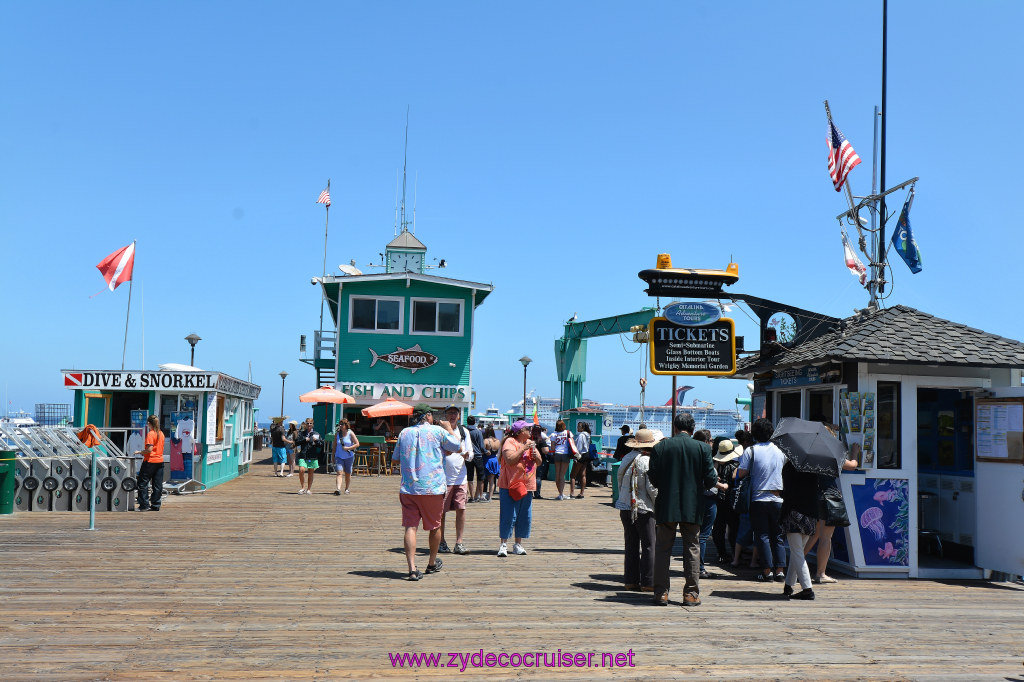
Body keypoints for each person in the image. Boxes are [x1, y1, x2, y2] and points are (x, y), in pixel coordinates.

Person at [648, 412, 718, 607]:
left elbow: (653, 477)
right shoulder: (703, 448)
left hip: (666, 505)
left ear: (675, 427)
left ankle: (661, 593)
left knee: (662, 550)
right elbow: (711, 479)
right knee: (692, 549)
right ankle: (691, 594)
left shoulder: (661, 447)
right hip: (693, 506)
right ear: (692, 429)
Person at [396, 403, 461, 581]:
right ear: (428, 416)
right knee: (435, 526)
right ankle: (431, 563)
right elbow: (457, 446)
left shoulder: (404, 433)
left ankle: (411, 568)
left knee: (410, 527)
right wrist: (449, 429)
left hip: (409, 487)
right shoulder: (437, 431)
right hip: (432, 488)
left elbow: (395, 459)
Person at [736, 418, 787, 582]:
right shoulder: (781, 451)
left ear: (754, 434)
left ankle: (767, 571)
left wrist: (736, 472)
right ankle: (780, 571)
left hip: (758, 498)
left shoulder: (751, 451)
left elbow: (742, 473)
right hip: (778, 498)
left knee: (762, 536)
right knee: (778, 536)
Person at [615, 428, 661, 592]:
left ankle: (631, 581)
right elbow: (651, 488)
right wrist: (659, 505)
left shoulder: (627, 458)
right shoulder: (646, 461)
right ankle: (648, 582)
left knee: (631, 544)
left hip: (625, 505)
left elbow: (619, 481)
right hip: (642, 507)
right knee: (649, 545)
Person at [806, 450, 860, 584]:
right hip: (830, 496)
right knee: (826, 538)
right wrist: (855, 453)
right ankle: (820, 573)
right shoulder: (832, 455)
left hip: (815, 496)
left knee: (816, 532)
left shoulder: (812, 455)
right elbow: (852, 466)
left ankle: (797, 564)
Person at [496, 420, 539, 556]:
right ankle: (504, 544)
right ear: (520, 432)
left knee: (523, 516)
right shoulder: (510, 442)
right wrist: (523, 449)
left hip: (526, 485)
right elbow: (509, 459)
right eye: (528, 428)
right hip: (510, 484)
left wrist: (536, 455)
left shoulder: (530, 443)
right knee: (508, 515)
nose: (530, 431)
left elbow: (539, 462)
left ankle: (518, 544)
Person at [439, 405, 473, 554]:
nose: (452, 415)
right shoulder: (440, 431)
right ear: (445, 415)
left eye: (455, 413)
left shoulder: (464, 432)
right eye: (450, 413)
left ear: (459, 416)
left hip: (461, 478)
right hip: (443, 479)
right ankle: (441, 541)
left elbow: (471, 453)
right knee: (441, 512)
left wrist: (467, 455)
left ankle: (459, 542)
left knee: (461, 509)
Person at [711, 440, 741, 564]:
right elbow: (735, 481)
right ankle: (735, 553)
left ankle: (721, 553)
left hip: (717, 500)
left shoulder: (715, 464)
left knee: (718, 528)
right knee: (733, 528)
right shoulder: (736, 465)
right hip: (732, 500)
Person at [134, 415, 166, 511]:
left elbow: (149, 449)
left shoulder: (151, 434)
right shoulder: (161, 433)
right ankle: (156, 505)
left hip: (150, 461)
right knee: (157, 484)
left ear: (149, 423)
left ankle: (144, 505)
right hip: (160, 461)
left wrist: (139, 452)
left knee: (142, 483)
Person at [548, 420, 577, 500]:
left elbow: (552, 447)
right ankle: (561, 493)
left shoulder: (554, 434)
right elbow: (573, 444)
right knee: (562, 475)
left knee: (557, 474)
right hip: (565, 454)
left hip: (557, 454)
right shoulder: (568, 432)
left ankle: (560, 493)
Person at [294, 419, 322, 495]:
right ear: (305, 424)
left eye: (310, 423)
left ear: (313, 424)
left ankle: (308, 489)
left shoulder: (316, 434)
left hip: (312, 455)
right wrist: (304, 440)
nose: (309, 424)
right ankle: (302, 487)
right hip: (303, 455)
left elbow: (320, 445)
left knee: (310, 472)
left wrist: (316, 440)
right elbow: (296, 442)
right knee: (301, 470)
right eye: (307, 423)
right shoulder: (301, 433)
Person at [334, 419, 359, 495]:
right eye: (340, 424)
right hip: (339, 456)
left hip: (349, 456)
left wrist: (348, 448)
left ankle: (347, 488)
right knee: (339, 472)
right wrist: (333, 456)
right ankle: (338, 489)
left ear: (346, 425)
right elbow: (334, 446)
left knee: (348, 473)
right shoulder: (337, 434)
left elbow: (357, 444)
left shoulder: (350, 433)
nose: (340, 426)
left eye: (342, 424)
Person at [467, 416, 487, 502]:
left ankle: (471, 496)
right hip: (478, 456)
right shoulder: (478, 432)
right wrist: (486, 451)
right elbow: (482, 446)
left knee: (470, 477)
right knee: (480, 477)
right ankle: (480, 496)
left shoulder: (465, 431)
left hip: (468, 456)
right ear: (474, 422)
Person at [570, 422, 592, 499]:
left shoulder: (581, 435)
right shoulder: (588, 435)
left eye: (579, 426)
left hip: (580, 455)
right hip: (586, 455)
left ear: (582, 428)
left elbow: (579, 447)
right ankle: (582, 493)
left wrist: (575, 457)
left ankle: (572, 493)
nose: (577, 428)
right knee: (583, 474)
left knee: (573, 475)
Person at [481, 426, 500, 501]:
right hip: (495, 460)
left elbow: (482, 451)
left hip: (487, 460)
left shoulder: (486, 440)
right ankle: (490, 497)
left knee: (483, 479)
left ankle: (482, 495)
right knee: (492, 480)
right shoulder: (498, 441)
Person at [532, 425, 551, 499]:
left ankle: (529, 493)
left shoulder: (529, 439)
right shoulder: (541, 440)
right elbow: (545, 451)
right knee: (538, 477)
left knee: (529, 477)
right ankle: (537, 494)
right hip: (539, 461)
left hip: (529, 461)